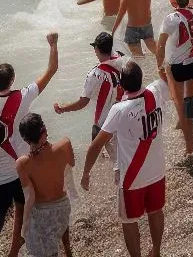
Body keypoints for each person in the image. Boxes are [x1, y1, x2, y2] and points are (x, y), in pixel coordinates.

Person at [82, 61, 170, 257]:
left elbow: (95, 145)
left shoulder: (119, 110)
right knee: (156, 211)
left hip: (132, 178)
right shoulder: (155, 92)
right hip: (157, 171)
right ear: (141, 79)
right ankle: (156, 251)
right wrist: (164, 66)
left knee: (129, 221)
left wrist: (86, 173)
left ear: (121, 86)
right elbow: (167, 79)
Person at [0, 34, 59, 257]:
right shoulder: (21, 97)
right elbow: (52, 69)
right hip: (20, 171)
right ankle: (14, 251)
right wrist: (53, 44)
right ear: (12, 80)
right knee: (21, 208)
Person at [156, 0, 193, 158]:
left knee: (180, 106)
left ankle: (189, 146)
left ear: (175, 3)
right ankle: (188, 125)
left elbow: (161, 45)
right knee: (190, 100)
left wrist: (159, 66)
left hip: (178, 67)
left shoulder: (171, 19)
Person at [15, 114, 74, 257]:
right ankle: (67, 249)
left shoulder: (22, 163)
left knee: (44, 248)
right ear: (45, 130)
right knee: (58, 226)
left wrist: (24, 226)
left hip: (43, 212)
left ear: (25, 139)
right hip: (64, 207)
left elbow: (30, 198)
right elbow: (71, 164)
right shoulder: (65, 144)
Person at [52, 32, 124, 140]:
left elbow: (83, 102)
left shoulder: (95, 74)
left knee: (98, 154)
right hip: (120, 117)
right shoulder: (121, 58)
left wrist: (62, 108)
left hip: (102, 124)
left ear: (97, 49)